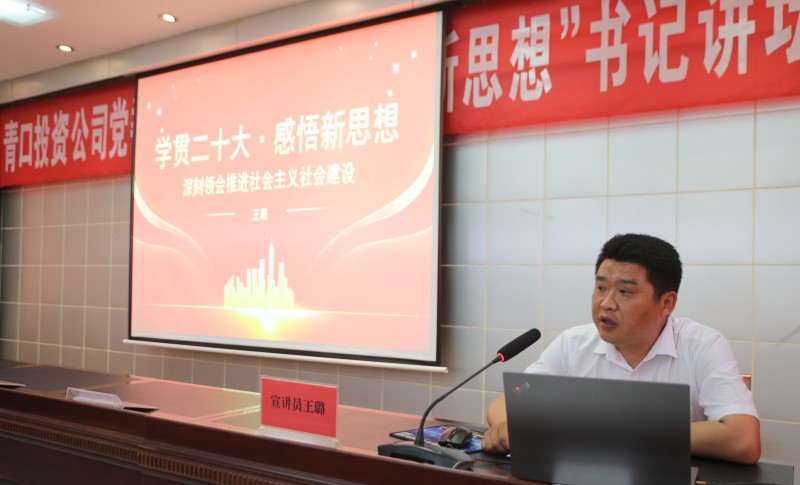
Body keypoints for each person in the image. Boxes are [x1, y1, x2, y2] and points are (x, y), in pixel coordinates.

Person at [483, 233, 761, 464]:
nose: (607, 303)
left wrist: (623, 431)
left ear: (666, 303)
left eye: (625, 292)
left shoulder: (703, 345)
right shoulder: (574, 343)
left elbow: (743, 440)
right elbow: (507, 401)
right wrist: (507, 426)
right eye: (600, 288)